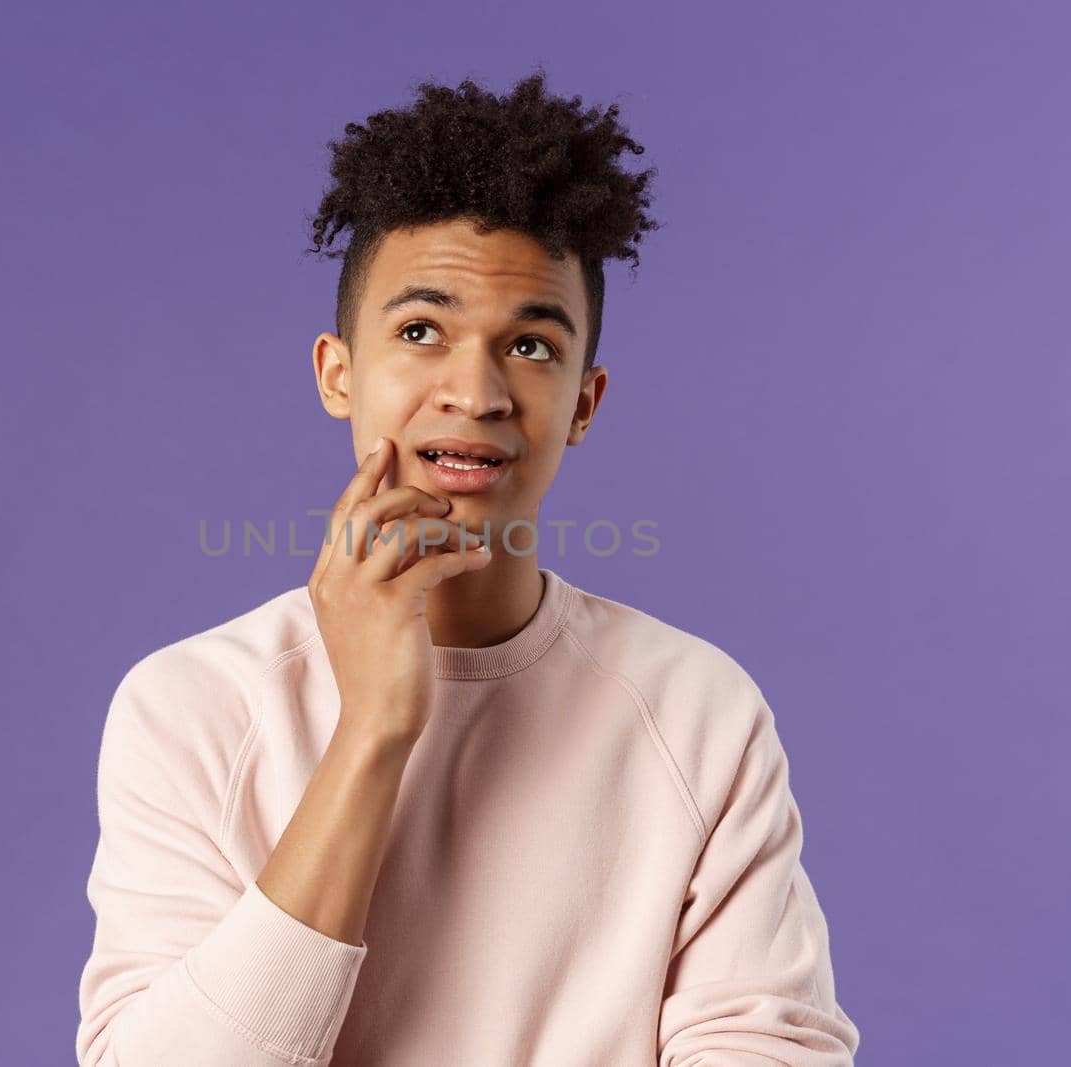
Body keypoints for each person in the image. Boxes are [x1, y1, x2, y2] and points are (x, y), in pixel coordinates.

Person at [75, 70, 860, 1066]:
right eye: (419, 331)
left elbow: (770, 1049)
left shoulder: (696, 708)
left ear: (584, 402)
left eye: (530, 344)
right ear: (336, 372)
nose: (476, 389)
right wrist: (372, 731)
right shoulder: (193, 703)